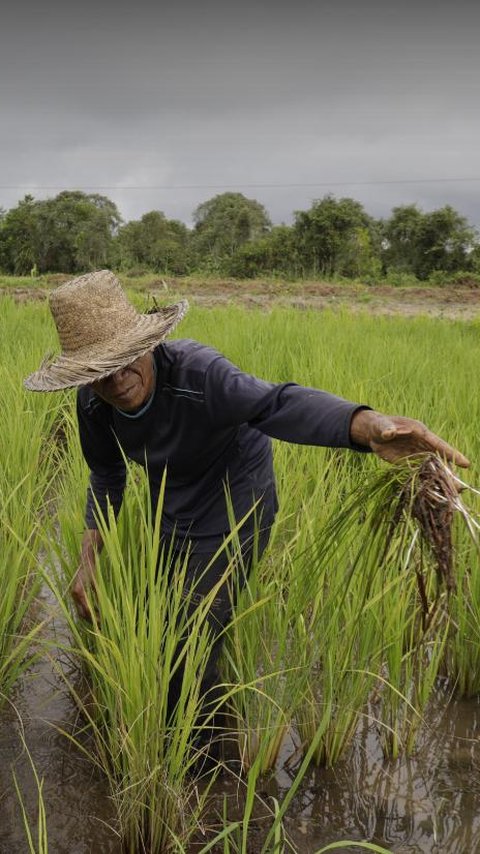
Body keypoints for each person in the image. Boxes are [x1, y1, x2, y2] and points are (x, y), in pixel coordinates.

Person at [24, 269, 469, 755]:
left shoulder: (199, 374)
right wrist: (89, 561)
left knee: (188, 639)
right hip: (171, 501)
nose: (115, 378)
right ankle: (196, 714)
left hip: (238, 499)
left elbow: (277, 404)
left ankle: (199, 760)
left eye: (125, 359)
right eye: (97, 371)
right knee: (170, 605)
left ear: (145, 344)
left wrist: (366, 426)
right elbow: (107, 476)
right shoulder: (92, 404)